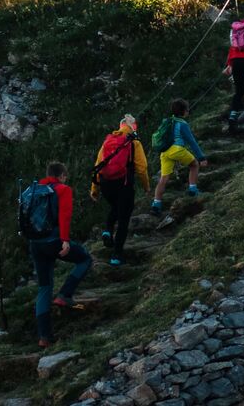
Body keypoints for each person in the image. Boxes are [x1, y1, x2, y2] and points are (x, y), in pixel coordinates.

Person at [17, 161, 91, 347]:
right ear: (61, 175)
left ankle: (44, 337)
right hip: (54, 241)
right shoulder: (63, 190)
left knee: (44, 287)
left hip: (35, 243)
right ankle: (65, 294)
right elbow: (65, 216)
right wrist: (65, 240)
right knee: (85, 259)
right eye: (65, 176)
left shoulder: (32, 190)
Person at [91, 114, 149, 265]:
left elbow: (98, 166)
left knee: (115, 207)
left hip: (105, 184)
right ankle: (116, 255)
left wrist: (94, 190)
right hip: (123, 185)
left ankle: (107, 231)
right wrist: (146, 186)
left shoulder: (107, 142)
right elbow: (142, 168)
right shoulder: (133, 142)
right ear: (132, 127)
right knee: (123, 219)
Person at [150, 99, 207, 212]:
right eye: (187, 109)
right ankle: (193, 189)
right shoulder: (182, 124)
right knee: (194, 164)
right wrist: (201, 157)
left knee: (163, 178)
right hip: (176, 149)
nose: (188, 111)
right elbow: (192, 141)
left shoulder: (167, 121)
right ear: (184, 111)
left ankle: (156, 204)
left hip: (164, 152)